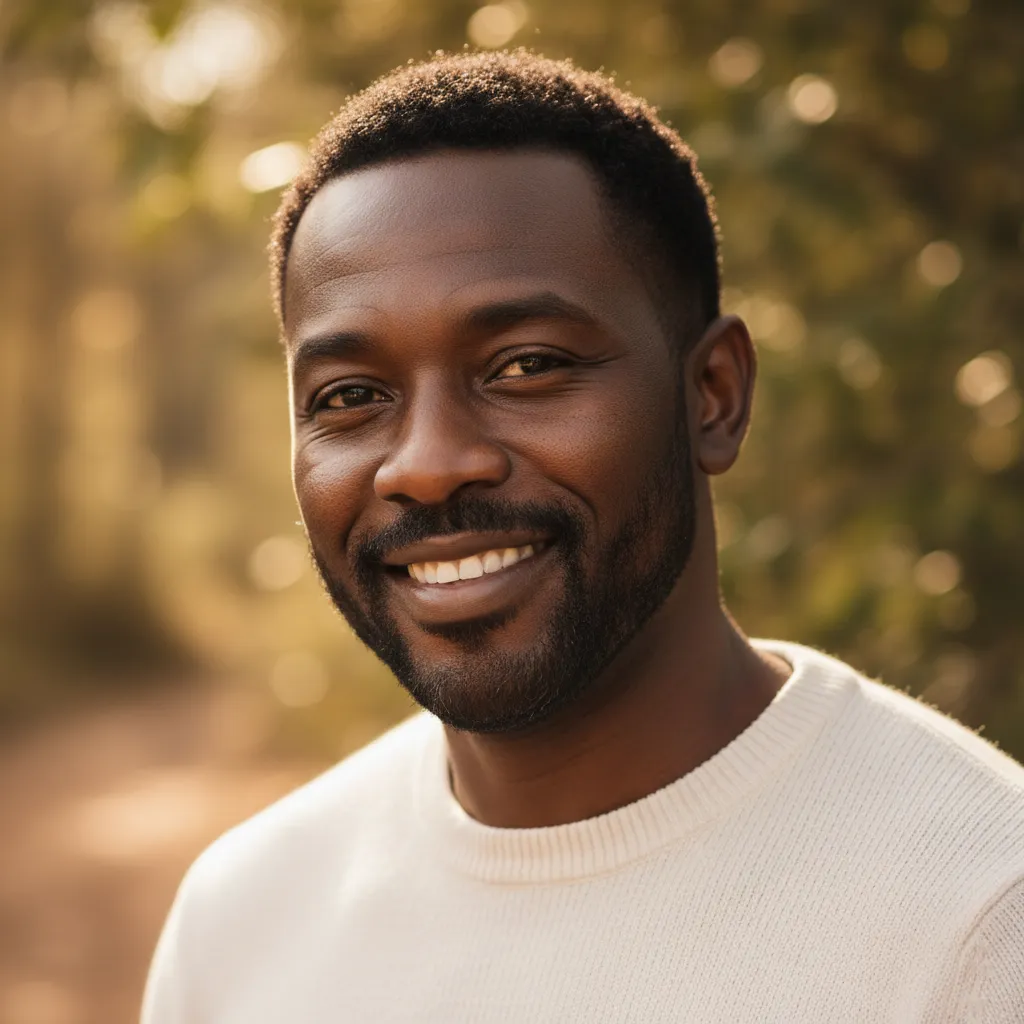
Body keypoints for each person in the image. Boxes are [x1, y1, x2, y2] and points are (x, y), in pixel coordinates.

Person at [142, 51, 1024, 1022]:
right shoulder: (239, 928)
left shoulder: (978, 916)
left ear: (712, 396)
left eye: (525, 365)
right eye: (350, 396)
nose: (427, 464)